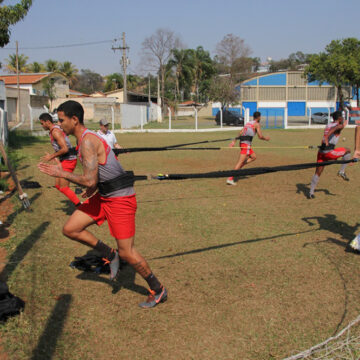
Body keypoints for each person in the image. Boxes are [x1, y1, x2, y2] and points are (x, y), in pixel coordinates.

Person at [38, 101, 167, 309]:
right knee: (71, 228)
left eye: (62, 121)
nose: (59, 126)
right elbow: (94, 178)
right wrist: (93, 187)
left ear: (74, 119)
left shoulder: (88, 141)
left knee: (127, 252)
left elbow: (89, 180)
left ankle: (158, 289)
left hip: (120, 199)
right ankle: (110, 254)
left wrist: (60, 173)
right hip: (104, 195)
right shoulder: (83, 140)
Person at [39, 112, 81, 206]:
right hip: (64, 159)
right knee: (58, 186)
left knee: (64, 188)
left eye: (42, 123)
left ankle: (81, 206)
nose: (42, 126)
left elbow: (65, 149)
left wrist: (51, 156)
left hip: (69, 160)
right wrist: (58, 160)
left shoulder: (55, 132)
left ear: (48, 122)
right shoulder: (53, 130)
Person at [308, 111, 351, 199]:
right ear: (339, 118)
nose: (343, 118)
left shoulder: (328, 125)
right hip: (328, 153)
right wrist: (327, 137)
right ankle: (341, 171)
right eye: (342, 117)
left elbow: (335, 127)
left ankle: (311, 192)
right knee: (348, 150)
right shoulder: (338, 126)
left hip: (321, 152)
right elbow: (334, 129)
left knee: (318, 172)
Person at [226, 111, 270, 185]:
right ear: (259, 117)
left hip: (243, 143)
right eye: (260, 117)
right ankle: (230, 178)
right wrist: (266, 139)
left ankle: (240, 166)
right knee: (240, 162)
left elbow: (240, 132)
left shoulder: (248, 123)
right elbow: (260, 136)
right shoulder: (257, 124)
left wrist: (234, 141)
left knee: (253, 157)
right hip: (246, 145)